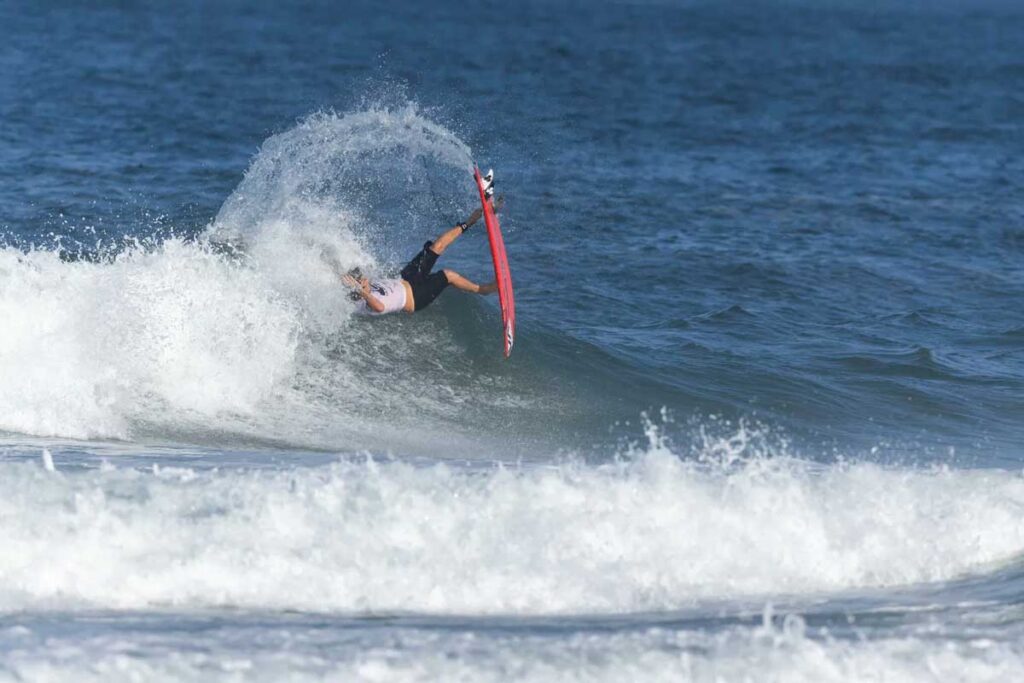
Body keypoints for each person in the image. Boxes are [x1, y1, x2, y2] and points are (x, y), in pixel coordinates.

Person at [341, 173, 501, 315]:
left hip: (407, 277)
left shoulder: (365, 288)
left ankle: (471, 221)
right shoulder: (366, 303)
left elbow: (351, 277)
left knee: (437, 246)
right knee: (448, 275)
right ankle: (483, 290)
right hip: (416, 297)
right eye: (362, 282)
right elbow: (379, 308)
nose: (364, 280)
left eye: (361, 279)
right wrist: (365, 294)